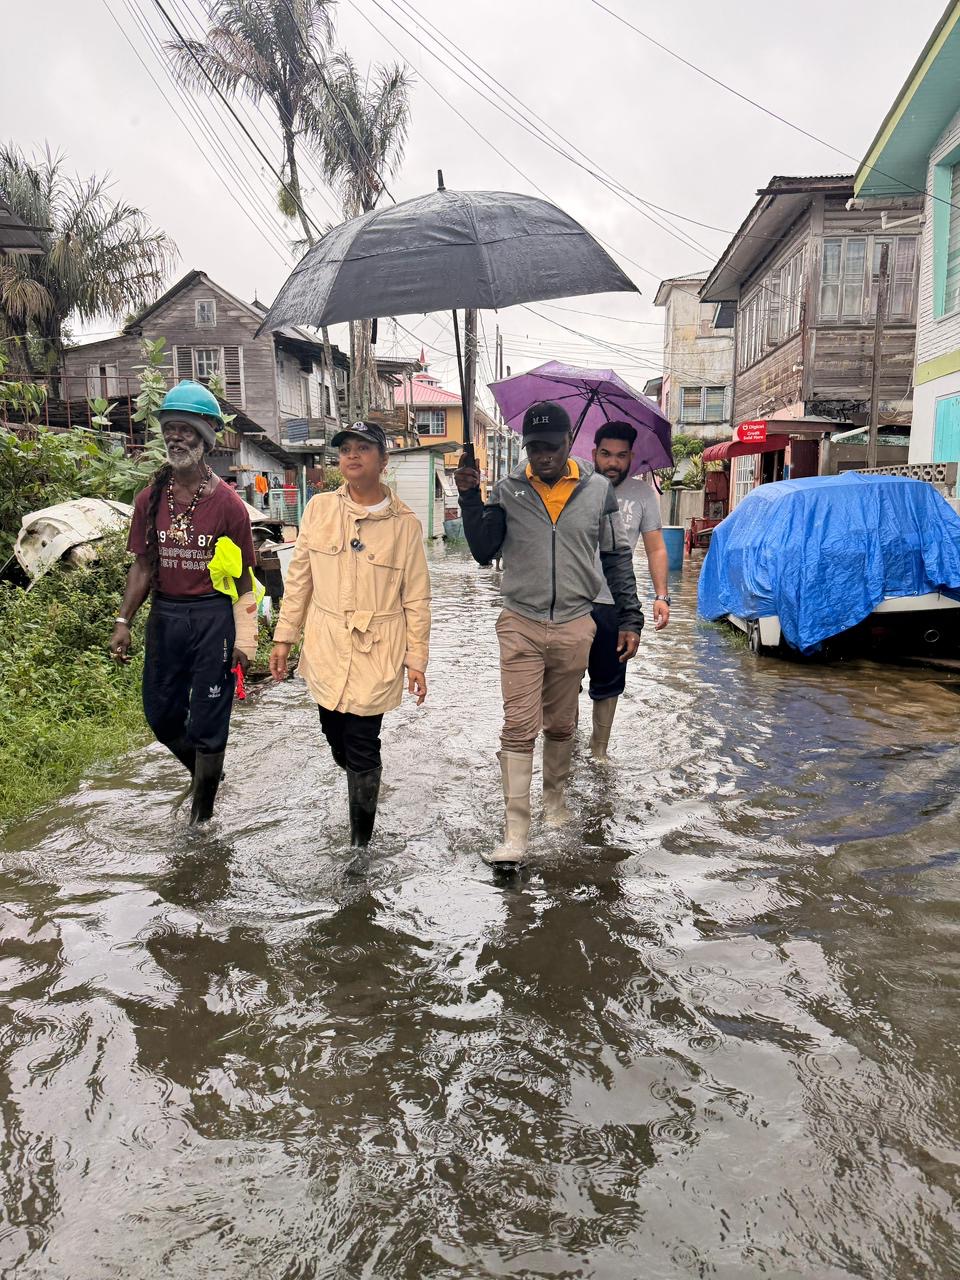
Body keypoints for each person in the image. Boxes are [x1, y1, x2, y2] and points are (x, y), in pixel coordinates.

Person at [455, 400, 643, 867]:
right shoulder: (508, 489)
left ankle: (554, 803)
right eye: (533, 447)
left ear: (567, 444)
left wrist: (630, 617)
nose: (542, 456)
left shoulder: (599, 491)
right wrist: (469, 496)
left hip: (576, 623)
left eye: (550, 447)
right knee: (519, 726)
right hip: (520, 621)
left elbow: (616, 558)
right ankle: (515, 832)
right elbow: (483, 551)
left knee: (561, 724)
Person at [268, 421, 430, 849]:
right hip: (325, 643)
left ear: (383, 460)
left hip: (377, 645)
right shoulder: (319, 508)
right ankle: (363, 782)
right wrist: (284, 637)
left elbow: (416, 598)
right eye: (345, 450)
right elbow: (299, 578)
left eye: (363, 448)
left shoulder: (406, 525)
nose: (352, 456)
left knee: (361, 741)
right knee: (334, 734)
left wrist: (416, 660)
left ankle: (360, 842)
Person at [109, 381, 260, 823]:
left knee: (210, 719)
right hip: (166, 617)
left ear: (207, 437)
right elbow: (141, 567)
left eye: (186, 430)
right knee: (160, 713)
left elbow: (244, 580)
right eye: (170, 429)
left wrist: (246, 638)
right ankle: (208, 774)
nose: (176, 437)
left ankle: (202, 818)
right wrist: (124, 620)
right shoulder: (149, 499)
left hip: (213, 618)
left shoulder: (230, 506)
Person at [588, 422, 671, 760]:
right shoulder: (577, 487)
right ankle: (565, 746)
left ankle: (598, 751)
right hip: (572, 602)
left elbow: (656, 549)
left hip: (614, 604)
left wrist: (661, 596)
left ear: (631, 458)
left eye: (621, 456)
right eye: (606, 454)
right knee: (563, 682)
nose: (612, 462)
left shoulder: (642, 494)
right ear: (593, 453)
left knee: (609, 683)